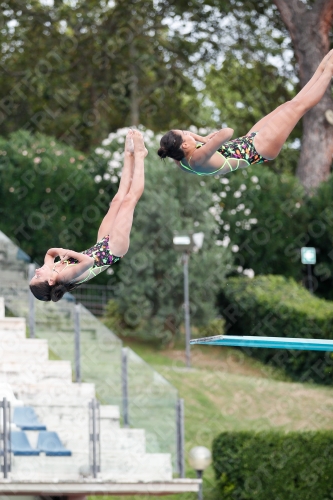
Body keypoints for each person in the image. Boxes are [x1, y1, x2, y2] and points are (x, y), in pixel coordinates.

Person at [157, 50, 333, 176]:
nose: (190, 134)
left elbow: (174, 147)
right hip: (259, 147)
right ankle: (329, 71)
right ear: (185, 146)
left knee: (289, 105)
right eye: (186, 134)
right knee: (297, 107)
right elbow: (227, 132)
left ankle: (322, 69)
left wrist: (197, 140)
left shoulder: (181, 159)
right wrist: (204, 140)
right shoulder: (198, 158)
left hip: (249, 142)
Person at [30, 130, 147, 302]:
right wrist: (68, 252)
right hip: (113, 250)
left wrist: (59, 251)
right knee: (129, 200)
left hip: (101, 244)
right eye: (37, 277)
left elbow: (49, 253)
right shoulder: (64, 277)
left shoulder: (51, 270)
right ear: (50, 281)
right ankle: (140, 155)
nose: (36, 271)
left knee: (117, 200)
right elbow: (88, 262)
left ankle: (129, 155)